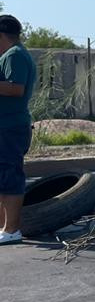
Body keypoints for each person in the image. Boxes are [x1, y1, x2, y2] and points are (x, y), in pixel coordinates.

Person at [0, 15, 36, 246]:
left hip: (11, 127)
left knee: (10, 176)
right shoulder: (9, 55)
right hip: (5, 126)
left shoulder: (15, 55)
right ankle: (4, 228)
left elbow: (16, 89)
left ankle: (11, 230)